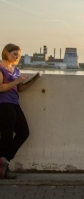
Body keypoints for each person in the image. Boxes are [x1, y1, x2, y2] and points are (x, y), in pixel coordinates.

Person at [0, 43, 40, 179]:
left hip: (14, 104)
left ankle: (3, 161)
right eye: (14, 54)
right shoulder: (1, 68)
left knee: (23, 132)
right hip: (4, 105)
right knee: (6, 136)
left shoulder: (16, 70)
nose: (17, 56)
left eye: (19, 55)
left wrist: (35, 78)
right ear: (6, 53)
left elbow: (21, 89)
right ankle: (3, 169)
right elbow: (1, 88)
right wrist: (17, 81)